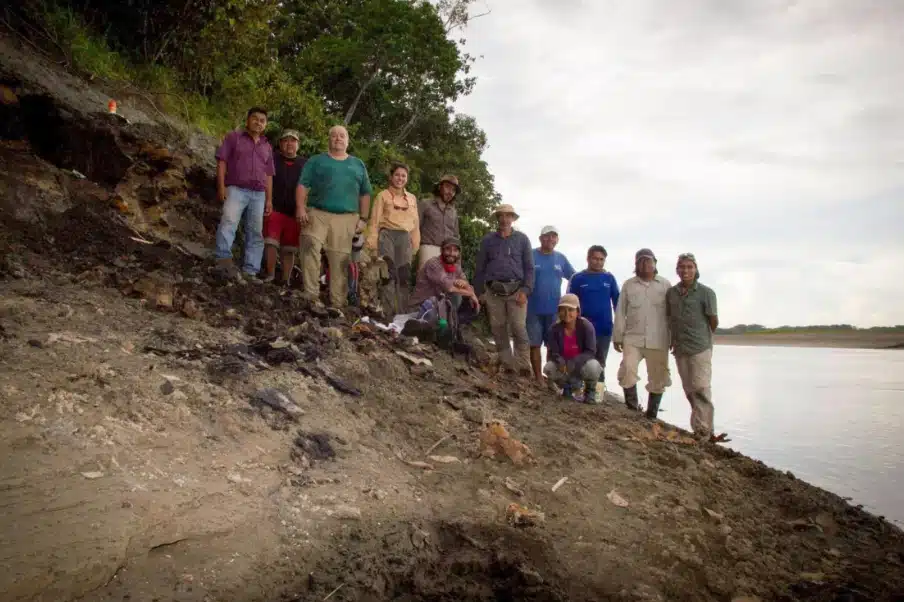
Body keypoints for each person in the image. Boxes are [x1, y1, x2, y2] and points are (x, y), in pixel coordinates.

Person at [295, 125, 373, 307]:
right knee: (310, 243)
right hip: (317, 212)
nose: (338, 138)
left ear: (348, 141)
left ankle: (337, 304)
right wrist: (300, 207)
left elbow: (365, 193)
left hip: (347, 217)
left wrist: (363, 219)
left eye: (342, 136)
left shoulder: (358, 164)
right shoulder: (316, 161)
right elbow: (303, 184)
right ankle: (311, 295)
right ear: (329, 140)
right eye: (334, 136)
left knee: (340, 259)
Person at [666, 252, 725, 441]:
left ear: (696, 269)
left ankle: (705, 432)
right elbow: (670, 319)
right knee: (690, 390)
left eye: (689, 267)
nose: (686, 270)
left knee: (701, 388)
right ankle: (701, 427)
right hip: (680, 348)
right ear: (677, 270)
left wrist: (703, 339)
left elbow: (713, 321)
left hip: (700, 347)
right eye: (682, 267)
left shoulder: (706, 293)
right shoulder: (672, 293)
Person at [214, 107, 274, 279]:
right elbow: (222, 162)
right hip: (236, 189)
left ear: (266, 125)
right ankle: (222, 259)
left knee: (255, 232)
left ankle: (251, 270)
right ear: (248, 120)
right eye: (255, 118)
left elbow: (269, 174)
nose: (258, 122)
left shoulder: (267, 146)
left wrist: (269, 199)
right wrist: (221, 186)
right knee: (229, 222)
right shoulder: (234, 137)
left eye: (262, 120)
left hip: (259, 194)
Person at [473, 204, 534, 375]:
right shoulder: (487, 240)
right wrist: (480, 293)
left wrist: (526, 290)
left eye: (508, 216)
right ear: (497, 218)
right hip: (493, 291)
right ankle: (508, 366)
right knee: (498, 328)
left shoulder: (522, 239)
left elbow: (529, 268)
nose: (505, 219)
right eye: (501, 216)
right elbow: (480, 268)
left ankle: (523, 366)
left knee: (518, 327)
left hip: (517, 290)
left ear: (513, 219)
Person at [612, 248, 672, 414]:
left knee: (658, 377)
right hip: (632, 338)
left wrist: (674, 338)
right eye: (641, 261)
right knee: (627, 371)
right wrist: (617, 336)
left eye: (648, 260)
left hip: (659, 339)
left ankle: (651, 414)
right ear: (636, 264)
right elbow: (620, 312)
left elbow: (673, 313)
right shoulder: (628, 285)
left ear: (655, 263)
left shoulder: (666, 285)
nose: (645, 264)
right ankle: (632, 410)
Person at [366, 163, 420, 312]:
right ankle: (387, 312)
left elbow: (415, 224)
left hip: (405, 238)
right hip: (387, 235)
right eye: (397, 175)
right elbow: (374, 221)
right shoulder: (382, 195)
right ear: (391, 177)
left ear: (407, 179)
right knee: (387, 275)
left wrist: (415, 245)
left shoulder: (412, 198)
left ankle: (402, 314)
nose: (400, 178)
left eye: (403, 176)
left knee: (404, 276)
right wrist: (372, 243)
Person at [527, 226, 575, 381]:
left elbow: (574, 278)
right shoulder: (530, 255)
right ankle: (537, 378)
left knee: (552, 346)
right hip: (532, 308)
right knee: (534, 344)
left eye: (553, 237)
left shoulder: (560, 258)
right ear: (540, 238)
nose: (550, 240)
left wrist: (570, 299)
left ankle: (550, 378)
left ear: (557, 240)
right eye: (547, 236)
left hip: (555, 310)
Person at [568, 245, 620, 386]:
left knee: (600, 361)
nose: (598, 262)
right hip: (582, 329)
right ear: (588, 259)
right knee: (579, 359)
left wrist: (620, 328)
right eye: (595, 258)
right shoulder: (578, 278)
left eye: (601, 259)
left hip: (604, 329)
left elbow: (618, 304)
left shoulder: (609, 278)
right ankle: (576, 388)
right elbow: (569, 303)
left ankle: (597, 391)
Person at [262, 129, 306, 283]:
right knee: (270, 242)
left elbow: (308, 187)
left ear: (298, 144)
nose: (289, 144)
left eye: (293, 141)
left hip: (294, 212)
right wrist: (268, 200)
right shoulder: (273, 158)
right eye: (286, 140)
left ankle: (286, 280)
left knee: (289, 249)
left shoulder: (304, 164)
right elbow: (268, 178)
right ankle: (271, 274)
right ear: (280, 143)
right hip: (275, 207)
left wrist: (304, 208)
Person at [543, 294, 603, 403]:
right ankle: (567, 387)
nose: (566, 314)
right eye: (563, 310)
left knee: (594, 366)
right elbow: (553, 351)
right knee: (548, 368)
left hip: (580, 364)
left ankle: (590, 391)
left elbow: (591, 351)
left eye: (571, 310)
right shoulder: (554, 329)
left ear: (577, 312)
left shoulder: (586, 326)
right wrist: (560, 361)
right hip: (564, 366)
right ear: (558, 311)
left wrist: (574, 361)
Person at [409, 237, 479, 312]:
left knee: (471, 304)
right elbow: (449, 288)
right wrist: (471, 294)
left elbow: (466, 283)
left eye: (455, 250)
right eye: (448, 249)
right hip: (420, 307)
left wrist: (465, 285)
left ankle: (453, 320)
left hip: (437, 306)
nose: (451, 253)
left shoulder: (456, 267)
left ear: (459, 253)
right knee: (456, 295)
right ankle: (449, 320)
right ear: (441, 250)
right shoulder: (433, 264)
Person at [418, 175, 460, 268]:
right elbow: (416, 228)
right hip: (428, 248)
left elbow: (456, 237)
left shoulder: (453, 211)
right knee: (425, 280)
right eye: (447, 187)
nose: (450, 192)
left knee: (447, 282)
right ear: (440, 187)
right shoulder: (425, 204)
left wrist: (458, 259)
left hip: (449, 253)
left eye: (453, 190)